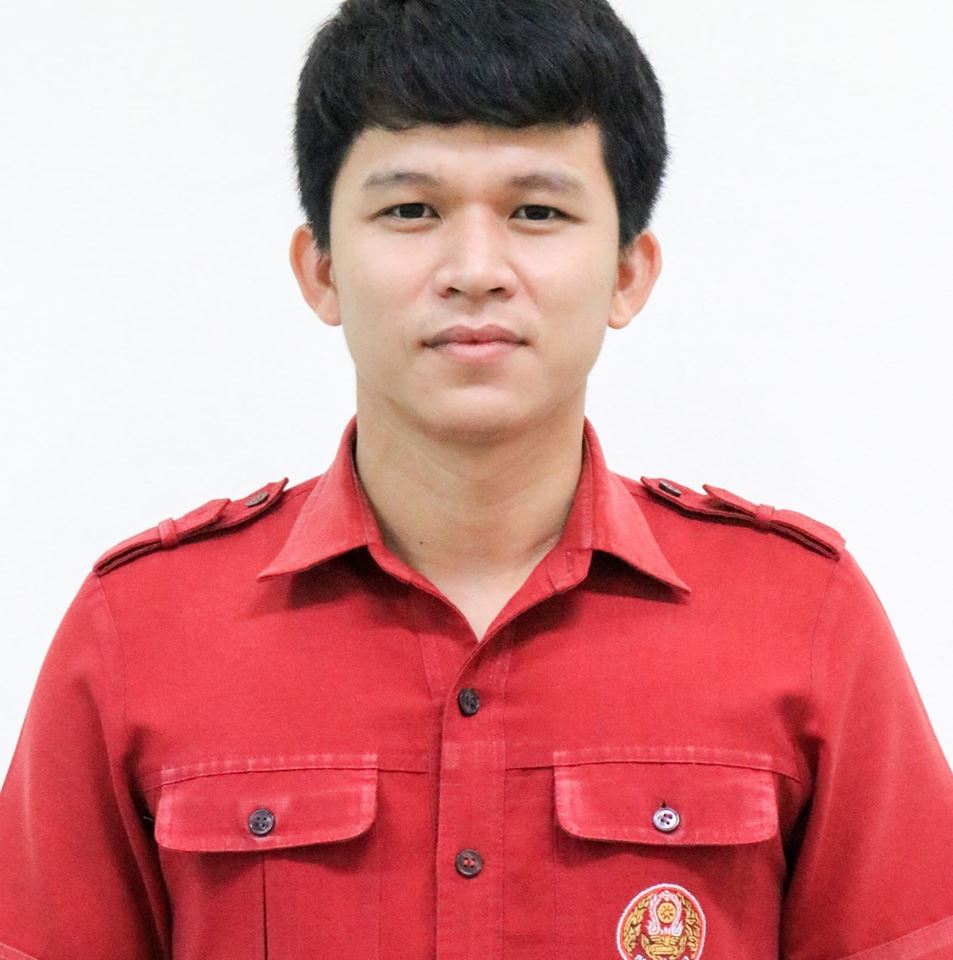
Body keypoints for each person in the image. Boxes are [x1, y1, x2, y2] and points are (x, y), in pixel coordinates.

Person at [1, 0, 951, 957]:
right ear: (320, 268)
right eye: (410, 210)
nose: (474, 269)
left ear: (629, 271)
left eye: (536, 212)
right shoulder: (142, 633)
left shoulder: (799, 619)